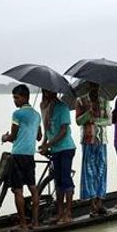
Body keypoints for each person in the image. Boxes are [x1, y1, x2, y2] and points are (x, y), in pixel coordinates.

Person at [1, 84, 42, 230]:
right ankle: (35, 223)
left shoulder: (17, 114)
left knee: (17, 190)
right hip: (30, 154)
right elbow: (39, 137)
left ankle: (23, 224)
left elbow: (13, 136)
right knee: (33, 187)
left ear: (24, 97)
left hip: (18, 154)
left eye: (16, 97)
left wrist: (5, 137)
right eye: (13, 97)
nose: (14, 100)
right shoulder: (37, 115)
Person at [39, 89, 76, 224]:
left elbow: (63, 131)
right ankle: (60, 213)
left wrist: (48, 144)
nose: (47, 94)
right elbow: (47, 130)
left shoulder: (62, 107)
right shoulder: (45, 107)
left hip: (66, 148)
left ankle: (68, 213)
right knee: (58, 181)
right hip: (55, 149)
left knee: (65, 179)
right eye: (45, 91)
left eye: (49, 92)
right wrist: (44, 144)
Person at [75, 82, 111, 216]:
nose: (94, 89)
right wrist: (87, 115)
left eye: (96, 86)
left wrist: (94, 120)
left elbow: (109, 120)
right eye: (92, 86)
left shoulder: (104, 101)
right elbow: (78, 121)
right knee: (88, 172)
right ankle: (92, 205)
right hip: (88, 140)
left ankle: (100, 202)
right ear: (88, 87)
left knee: (101, 170)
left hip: (101, 140)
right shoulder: (81, 101)